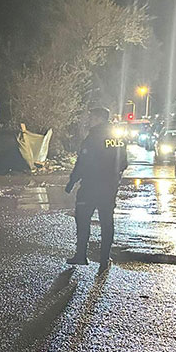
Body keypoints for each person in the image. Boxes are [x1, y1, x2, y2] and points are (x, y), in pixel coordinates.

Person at [65, 107, 127, 272]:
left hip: (91, 186)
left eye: (92, 116)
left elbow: (82, 161)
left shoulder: (93, 137)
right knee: (107, 222)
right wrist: (113, 175)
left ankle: (81, 255)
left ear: (100, 118)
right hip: (109, 186)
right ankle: (104, 258)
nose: (90, 119)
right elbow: (123, 162)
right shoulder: (117, 137)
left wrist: (72, 181)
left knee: (83, 219)